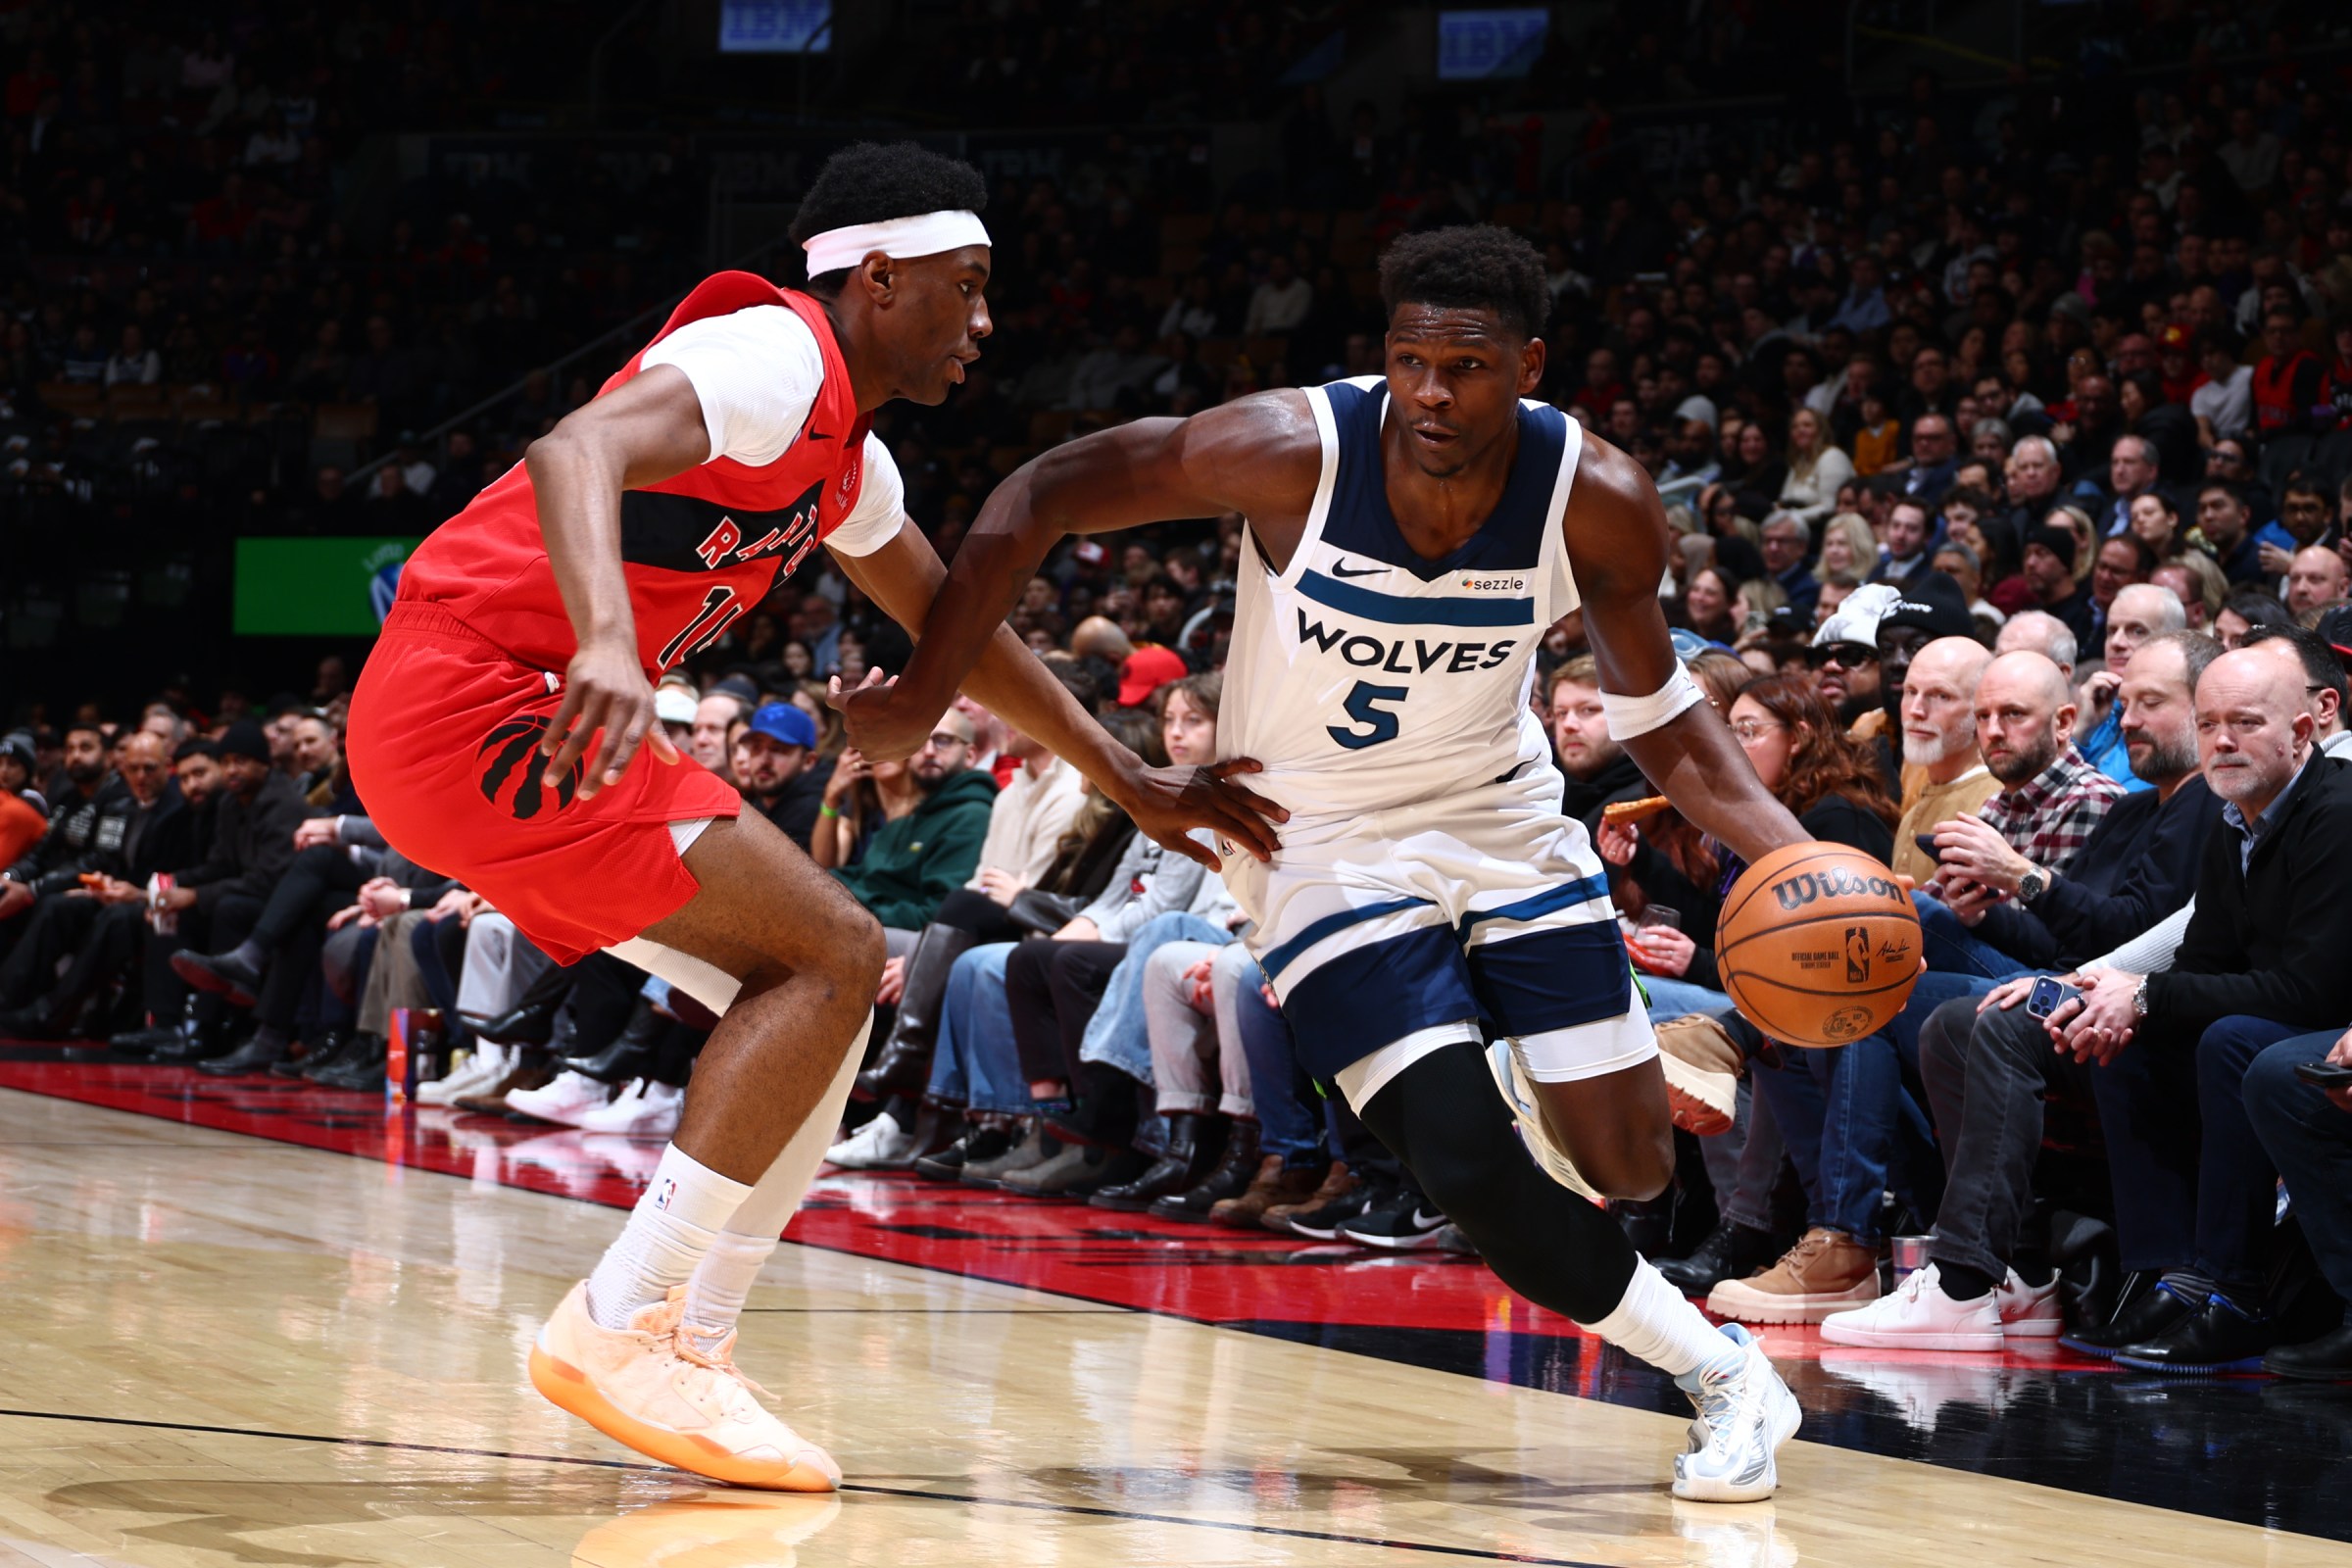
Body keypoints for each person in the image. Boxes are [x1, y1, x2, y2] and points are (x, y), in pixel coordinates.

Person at [836, 224, 1829, 1502]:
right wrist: (927, 690)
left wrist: (1807, 864)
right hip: (1314, 840)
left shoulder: (1595, 495)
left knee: (1631, 1165)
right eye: (1410, 362)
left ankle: (1524, 1074)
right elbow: (1035, 496)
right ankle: (1727, 1377)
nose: (1430, 394)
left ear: (1528, 367)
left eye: (1465, 368)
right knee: (1466, 1168)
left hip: (1499, 816)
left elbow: (1668, 728)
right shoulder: (1287, 450)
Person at [342, 142, 1277, 1493]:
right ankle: (625, 1318)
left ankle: (689, 1338)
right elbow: (575, 446)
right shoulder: (772, 355)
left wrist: (1127, 777)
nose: (986, 319)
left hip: (493, 722)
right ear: (879, 279)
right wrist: (605, 637)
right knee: (835, 948)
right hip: (484, 699)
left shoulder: (847, 462)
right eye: (968, 284)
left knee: (821, 995)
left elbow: (959, 624)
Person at [1824, 631, 2225, 1352]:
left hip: (2142, 1004)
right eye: (2126, 705)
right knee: (1934, 997)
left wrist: (2023, 879)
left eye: (2152, 703)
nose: (2129, 720)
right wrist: (1991, 913)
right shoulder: (2138, 809)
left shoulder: (2206, 806)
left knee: (1937, 1001)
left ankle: (1956, 1277)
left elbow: (2130, 936)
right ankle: (2018, 1265)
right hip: (2074, 983)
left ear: (2206, 711)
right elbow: (2065, 943)